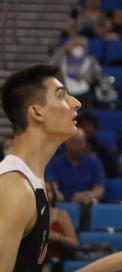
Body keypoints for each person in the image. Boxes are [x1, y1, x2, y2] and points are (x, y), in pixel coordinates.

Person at [0, 65, 81, 272]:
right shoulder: (14, 187)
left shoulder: (33, 181)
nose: (76, 103)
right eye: (62, 95)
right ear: (36, 112)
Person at [46, 128, 105, 207]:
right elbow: (53, 188)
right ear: (66, 142)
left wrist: (87, 196)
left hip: (86, 205)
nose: (76, 146)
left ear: (85, 143)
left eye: (80, 142)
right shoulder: (54, 163)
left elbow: (99, 190)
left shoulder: (95, 163)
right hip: (62, 204)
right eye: (73, 142)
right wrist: (58, 196)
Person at [51, 35, 107, 110]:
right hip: (66, 94)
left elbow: (99, 76)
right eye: (76, 45)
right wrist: (62, 50)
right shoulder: (62, 60)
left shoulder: (91, 61)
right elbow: (50, 65)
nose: (79, 48)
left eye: (82, 46)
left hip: (84, 95)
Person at [44, 180, 79, 266]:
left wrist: (57, 237)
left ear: (53, 194)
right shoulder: (29, 215)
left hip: (56, 259)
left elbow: (74, 243)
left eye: (48, 190)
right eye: (42, 190)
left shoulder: (61, 215)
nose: (44, 193)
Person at [77, 113, 117, 177]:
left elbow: (111, 170)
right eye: (83, 126)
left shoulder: (101, 149)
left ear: (94, 129)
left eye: (89, 126)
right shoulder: (69, 146)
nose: (86, 128)